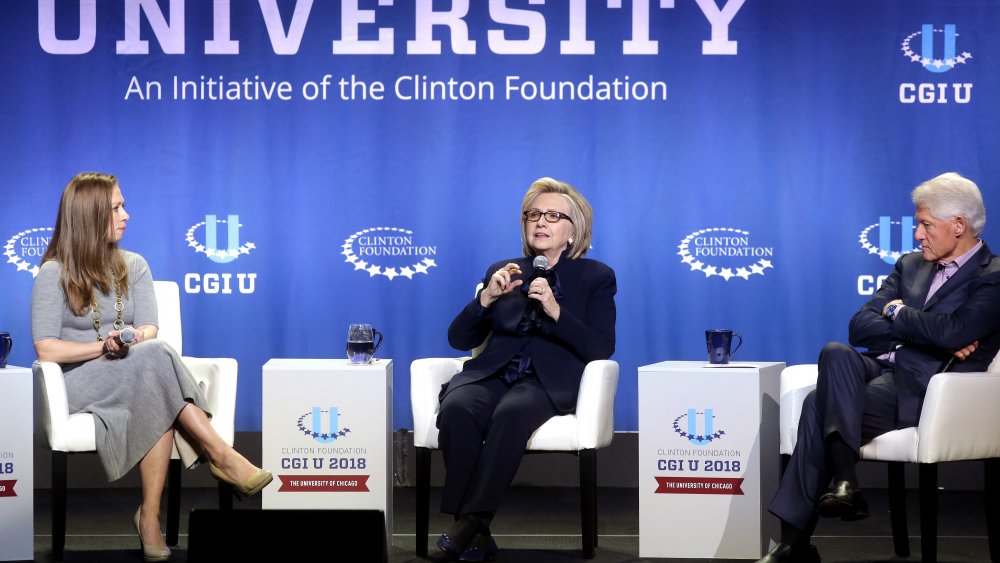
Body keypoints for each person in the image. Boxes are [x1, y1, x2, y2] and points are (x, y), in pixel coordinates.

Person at [31, 173, 272, 563]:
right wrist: (101, 346)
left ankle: (150, 517)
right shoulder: (53, 273)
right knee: (157, 365)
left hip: (135, 372)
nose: (127, 215)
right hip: (78, 386)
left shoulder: (134, 265)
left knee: (154, 370)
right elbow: (46, 349)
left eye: (123, 205)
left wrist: (130, 338)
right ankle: (221, 456)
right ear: (89, 215)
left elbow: (150, 329)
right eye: (115, 208)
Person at [759, 172, 1000, 562]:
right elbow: (859, 326)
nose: (918, 235)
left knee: (818, 405)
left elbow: (958, 331)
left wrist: (898, 314)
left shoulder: (993, 275)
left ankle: (798, 539)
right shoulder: (910, 266)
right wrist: (927, 330)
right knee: (836, 351)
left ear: (959, 225)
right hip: (880, 369)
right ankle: (843, 482)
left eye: (925, 225)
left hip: (929, 386)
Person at [433, 177, 617, 561]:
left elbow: (601, 347)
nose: (540, 222)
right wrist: (485, 299)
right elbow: (457, 338)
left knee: (512, 412)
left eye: (552, 215)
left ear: (573, 229)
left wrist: (555, 311)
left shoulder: (595, 277)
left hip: (545, 381)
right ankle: (476, 531)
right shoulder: (504, 270)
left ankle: (469, 523)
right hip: (492, 372)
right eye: (533, 214)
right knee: (458, 406)